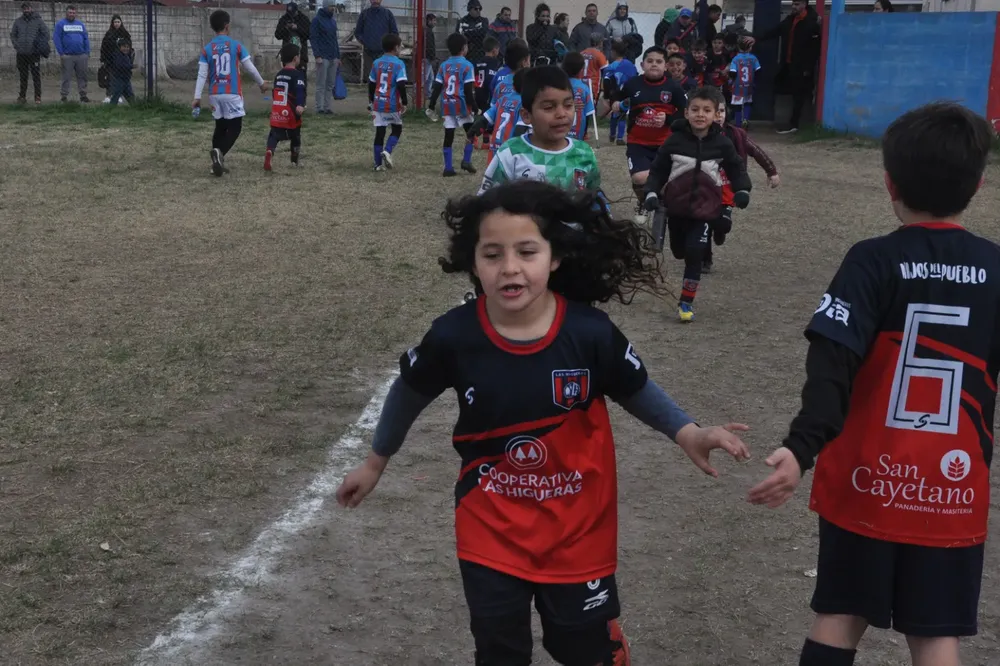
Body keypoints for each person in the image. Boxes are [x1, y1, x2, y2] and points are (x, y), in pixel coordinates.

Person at [336, 177, 751, 666]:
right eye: (492, 254)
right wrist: (375, 462)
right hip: (489, 523)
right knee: (499, 649)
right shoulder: (454, 336)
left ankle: (604, 640)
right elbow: (409, 392)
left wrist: (689, 432)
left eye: (526, 252)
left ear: (553, 258)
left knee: (579, 647)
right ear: (473, 262)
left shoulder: (588, 333)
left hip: (579, 528)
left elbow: (635, 389)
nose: (510, 267)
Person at [747, 101, 997, 666]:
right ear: (978, 184)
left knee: (840, 615)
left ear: (889, 181)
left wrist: (800, 448)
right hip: (950, 488)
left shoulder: (870, 261)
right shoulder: (995, 268)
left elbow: (830, 365)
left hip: (868, 482)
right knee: (935, 637)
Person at [642, 87, 750, 322]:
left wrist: (742, 189)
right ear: (686, 112)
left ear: (715, 115)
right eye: (695, 110)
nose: (701, 115)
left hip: (706, 210)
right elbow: (658, 170)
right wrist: (650, 192)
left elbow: (735, 167)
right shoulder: (674, 141)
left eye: (707, 110)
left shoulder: (722, 144)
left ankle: (686, 303)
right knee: (679, 251)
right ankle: (683, 254)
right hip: (677, 209)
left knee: (695, 252)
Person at [479, 66, 600, 196]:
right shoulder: (510, 153)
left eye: (568, 105)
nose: (561, 114)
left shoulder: (584, 153)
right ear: (526, 115)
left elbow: (595, 197)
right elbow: (486, 201)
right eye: (549, 107)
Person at [703, 96, 779, 273]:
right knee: (703, 223)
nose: (718, 116)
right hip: (705, 186)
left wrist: (771, 171)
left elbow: (755, 151)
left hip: (728, 186)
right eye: (713, 112)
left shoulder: (736, 134)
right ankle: (705, 260)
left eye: (721, 111)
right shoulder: (698, 134)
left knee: (722, 224)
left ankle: (719, 229)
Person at [613, 46, 686, 222]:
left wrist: (668, 118)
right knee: (640, 177)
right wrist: (616, 104)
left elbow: (685, 114)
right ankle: (643, 201)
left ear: (666, 66)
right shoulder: (632, 84)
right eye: (650, 61)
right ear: (642, 64)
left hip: (665, 144)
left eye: (659, 61)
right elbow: (616, 100)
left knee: (666, 182)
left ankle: (660, 206)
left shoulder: (673, 88)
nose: (654, 65)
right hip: (638, 142)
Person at [193, 10, 268, 177]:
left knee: (220, 127)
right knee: (235, 127)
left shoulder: (207, 49)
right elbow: (250, 67)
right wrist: (261, 83)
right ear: (227, 26)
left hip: (214, 93)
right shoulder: (236, 45)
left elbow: (202, 74)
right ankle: (219, 154)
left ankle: (216, 163)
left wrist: (197, 97)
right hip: (232, 93)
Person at [753, 0, 822, 134]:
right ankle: (789, 121)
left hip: (801, 66)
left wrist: (807, 68)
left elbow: (814, 48)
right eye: (793, 4)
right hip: (788, 62)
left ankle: (794, 124)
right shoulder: (791, 20)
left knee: (799, 94)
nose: (794, 7)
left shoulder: (811, 22)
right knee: (782, 86)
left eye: (797, 4)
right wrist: (756, 38)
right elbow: (776, 31)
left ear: (804, 4)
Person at [468, 42, 532, 163]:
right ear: (524, 62)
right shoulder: (528, 90)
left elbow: (493, 110)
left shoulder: (501, 85)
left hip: (497, 143)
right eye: (529, 60)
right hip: (514, 146)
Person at [427, 33, 478, 177]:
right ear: (464, 48)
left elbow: (437, 86)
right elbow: (468, 90)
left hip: (447, 104)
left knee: (449, 135)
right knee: (471, 132)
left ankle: (448, 167)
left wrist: (431, 104)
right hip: (461, 104)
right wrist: (474, 106)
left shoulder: (444, 65)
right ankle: (466, 161)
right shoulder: (467, 66)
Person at [265, 44, 307, 171]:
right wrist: (299, 104)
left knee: (274, 135)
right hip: (290, 112)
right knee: (295, 136)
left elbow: (275, 92)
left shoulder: (278, 75)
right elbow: (300, 90)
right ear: (295, 59)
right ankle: (294, 159)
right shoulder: (298, 75)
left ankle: (270, 151)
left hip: (277, 111)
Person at [368, 33, 407, 172]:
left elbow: (371, 84)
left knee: (380, 132)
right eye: (400, 45)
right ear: (396, 48)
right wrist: (405, 102)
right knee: (397, 129)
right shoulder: (399, 63)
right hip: (392, 104)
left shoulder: (376, 63)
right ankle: (387, 151)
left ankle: (377, 164)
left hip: (378, 103)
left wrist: (371, 100)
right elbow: (401, 85)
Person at [10, 2, 49, 105]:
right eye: (24, 8)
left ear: (31, 9)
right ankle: (22, 96)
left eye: (28, 8)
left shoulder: (38, 21)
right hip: (21, 54)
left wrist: (39, 45)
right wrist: (16, 45)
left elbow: (46, 34)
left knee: (36, 76)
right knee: (23, 76)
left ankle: (38, 96)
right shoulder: (18, 22)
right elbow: (13, 35)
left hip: (34, 54)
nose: (26, 10)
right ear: (22, 10)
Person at [602, 39, 637, 145]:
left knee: (615, 112)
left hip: (615, 93)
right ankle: (620, 137)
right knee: (622, 113)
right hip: (627, 92)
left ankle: (613, 134)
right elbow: (635, 77)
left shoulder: (611, 67)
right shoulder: (630, 65)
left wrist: (606, 96)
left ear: (613, 52)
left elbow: (607, 81)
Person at [54, 5, 90, 103]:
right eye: (70, 12)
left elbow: (85, 38)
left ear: (76, 14)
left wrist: (87, 52)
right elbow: (57, 39)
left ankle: (83, 95)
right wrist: (61, 53)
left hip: (81, 55)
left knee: (82, 76)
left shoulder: (80, 24)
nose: (72, 14)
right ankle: (64, 96)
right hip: (67, 56)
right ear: (66, 13)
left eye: (73, 13)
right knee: (66, 77)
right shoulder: (60, 24)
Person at [310, 0, 341, 115]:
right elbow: (313, 38)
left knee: (330, 84)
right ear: (326, 6)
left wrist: (338, 56)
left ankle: (327, 107)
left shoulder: (333, 21)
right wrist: (317, 55)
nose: (333, 8)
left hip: (333, 56)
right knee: (321, 84)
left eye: (334, 5)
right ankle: (319, 107)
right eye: (331, 6)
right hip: (323, 56)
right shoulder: (317, 20)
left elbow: (334, 40)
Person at [355, 0, 398, 73]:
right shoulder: (364, 14)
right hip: (368, 53)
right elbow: (357, 32)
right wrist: (366, 42)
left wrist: (388, 46)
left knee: (384, 77)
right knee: (371, 78)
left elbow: (394, 33)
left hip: (384, 54)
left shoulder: (387, 14)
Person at [562, 52, 595, 142]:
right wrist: (584, 133)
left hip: (559, 130)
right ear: (581, 70)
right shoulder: (584, 88)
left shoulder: (559, 85)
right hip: (577, 134)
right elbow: (588, 114)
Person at [728, 36, 761, 128]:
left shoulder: (736, 59)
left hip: (738, 86)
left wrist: (731, 81)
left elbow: (733, 72)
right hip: (749, 85)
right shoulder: (753, 58)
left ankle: (738, 123)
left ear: (738, 47)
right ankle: (746, 119)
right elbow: (758, 71)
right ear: (750, 47)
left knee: (737, 106)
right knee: (747, 103)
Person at [99, 15, 130, 104]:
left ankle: (119, 96)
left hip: (121, 61)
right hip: (110, 61)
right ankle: (109, 96)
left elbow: (129, 47)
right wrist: (102, 59)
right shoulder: (108, 34)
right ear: (112, 23)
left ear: (121, 23)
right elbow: (103, 47)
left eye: (118, 22)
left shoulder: (125, 34)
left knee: (119, 79)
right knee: (109, 78)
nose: (116, 24)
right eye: (115, 22)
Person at [473, 36, 502, 129]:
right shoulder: (495, 63)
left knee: (481, 116)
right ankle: (486, 138)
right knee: (489, 117)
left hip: (477, 92)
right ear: (494, 50)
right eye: (498, 49)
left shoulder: (478, 62)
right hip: (488, 94)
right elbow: (493, 79)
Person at [275, 1, 310, 72]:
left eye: (293, 13)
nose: (291, 15)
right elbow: (277, 35)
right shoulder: (284, 19)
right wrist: (286, 28)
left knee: (301, 76)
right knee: (288, 76)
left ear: (296, 11)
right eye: (289, 13)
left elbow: (309, 34)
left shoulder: (304, 19)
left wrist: (297, 28)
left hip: (301, 54)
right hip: (287, 54)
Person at [457, 0, 490, 64]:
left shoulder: (484, 20)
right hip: (465, 54)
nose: (478, 10)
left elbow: (483, 32)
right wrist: (476, 32)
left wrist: (467, 33)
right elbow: (459, 35)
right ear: (469, 9)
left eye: (479, 8)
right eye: (475, 8)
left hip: (480, 53)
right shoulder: (462, 21)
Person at [580, 32, 608, 106]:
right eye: (602, 42)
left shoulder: (582, 53)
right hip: (592, 84)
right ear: (599, 43)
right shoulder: (599, 55)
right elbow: (605, 72)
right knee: (591, 107)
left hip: (580, 82)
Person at [107, 37, 135, 106]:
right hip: (119, 79)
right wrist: (131, 66)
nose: (126, 49)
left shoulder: (126, 56)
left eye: (127, 47)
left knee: (129, 93)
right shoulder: (117, 55)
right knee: (117, 93)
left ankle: (134, 105)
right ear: (119, 47)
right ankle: (111, 106)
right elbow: (120, 66)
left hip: (126, 79)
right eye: (124, 47)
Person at [423, 13, 438, 99]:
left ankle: (427, 94)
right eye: (434, 20)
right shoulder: (428, 32)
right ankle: (416, 92)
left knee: (430, 78)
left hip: (428, 57)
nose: (435, 22)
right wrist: (432, 57)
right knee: (424, 77)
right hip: (427, 58)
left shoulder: (427, 30)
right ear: (429, 21)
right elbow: (429, 46)